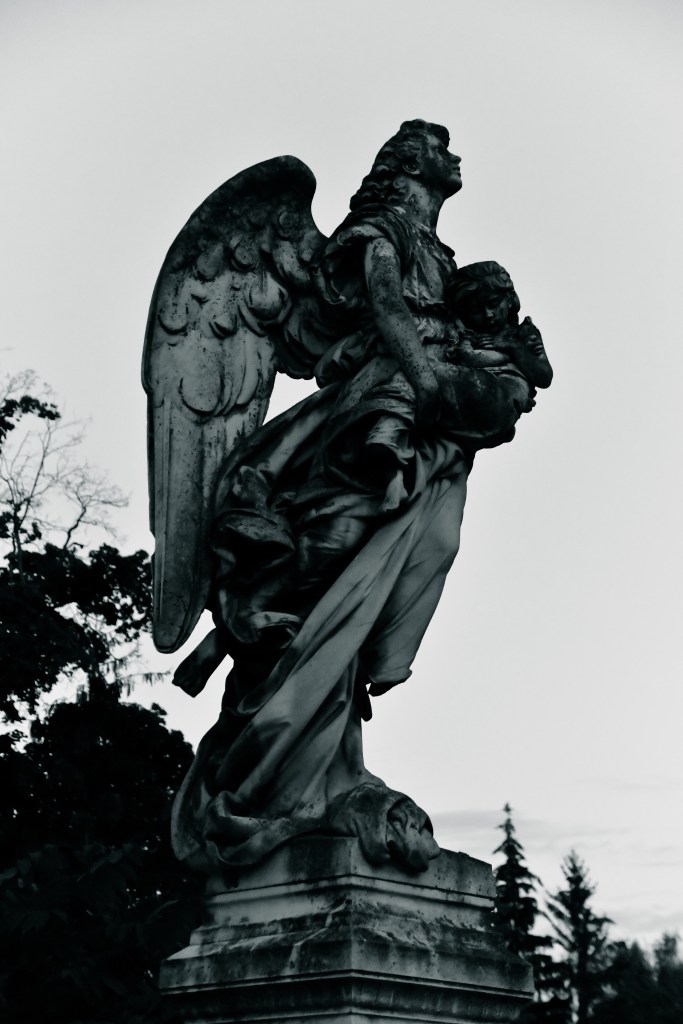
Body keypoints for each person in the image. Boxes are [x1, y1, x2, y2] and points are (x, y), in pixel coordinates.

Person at [170, 121, 546, 874]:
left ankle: (330, 771)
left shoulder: (443, 257)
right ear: (408, 164)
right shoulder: (380, 231)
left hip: (424, 446)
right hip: (362, 424)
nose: (453, 152)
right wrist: (429, 378)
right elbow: (385, 309)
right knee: (329, 564)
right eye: (436, 144)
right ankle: (269, 746)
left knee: (404, 565)